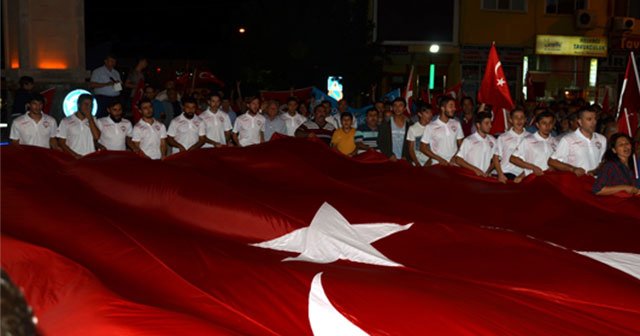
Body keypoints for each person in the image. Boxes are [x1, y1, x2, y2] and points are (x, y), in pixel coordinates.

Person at [548, 107, 607, 176]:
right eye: (589, 119)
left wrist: (595, 171)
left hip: (596, 182)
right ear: (580, 122)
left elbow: (601, 162)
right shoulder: (568, 140)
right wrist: (573, 169)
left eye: (595, 119)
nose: (594, 122)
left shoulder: (601, 139)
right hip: (577, 182)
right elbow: (552, 162)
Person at [510, 111, 558, 178]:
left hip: (551, 178)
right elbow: (513, 159)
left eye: (550, 123)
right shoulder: (528, 140)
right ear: (537, 125)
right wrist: (533, 167)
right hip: (533, 178)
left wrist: (554, 167)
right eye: (544, 123)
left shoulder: (556, 142)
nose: (547, 126)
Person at [420, 96, 464, 165]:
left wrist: (455, 157)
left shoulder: (457, 123)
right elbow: (423, 148)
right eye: (451, 106)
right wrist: (439, 159)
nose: (454, 109)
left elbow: (462, 145)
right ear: (443, 108)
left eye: (454, 106)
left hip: (454, 164)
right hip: (437, 164)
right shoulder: (430, 126)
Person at [56, 94, 101, 158]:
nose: (88, 107)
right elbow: (61, 142)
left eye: (91, 105)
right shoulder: (66, 121)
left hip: (90, 157)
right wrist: (75, 155)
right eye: (86, 104)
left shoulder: (94, 119)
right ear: (78, 104)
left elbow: (97, 137)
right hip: (73, 158)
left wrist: (90, 119)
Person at [454, 112, 497, 177]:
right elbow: (458, 159)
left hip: (486, 178)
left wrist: (488, 171)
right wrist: (475, 170)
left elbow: (496, 159)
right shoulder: (469, 140)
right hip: (471, 177)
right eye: (486, 123)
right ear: (478, 125)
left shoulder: (493, 140)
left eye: (490, 123)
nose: (490, 126)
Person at [493, 107, 529, 182]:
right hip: (505, 173)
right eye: (516, 117)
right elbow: (496, 158)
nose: (519, 120)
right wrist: (500, 174)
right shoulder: (503, 137)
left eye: (522, 117)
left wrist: (522, 175)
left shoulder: (531, 137)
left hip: (523, 175)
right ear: (510, 120)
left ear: (525, 120)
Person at [89, 54, 122, 118]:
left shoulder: (116, 72)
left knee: (114, 116)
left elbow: (119, 87)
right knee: (102, 116)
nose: (113, 63)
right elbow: (92, 85)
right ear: (105, 61)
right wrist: (106, 84)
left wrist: (118, 85)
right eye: (111, 61)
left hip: (115, 98)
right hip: (103, 98)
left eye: (114, 61)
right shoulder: (97, 71)